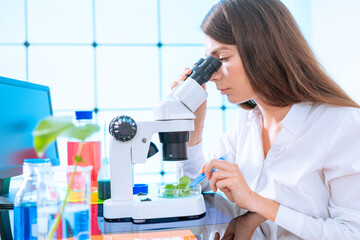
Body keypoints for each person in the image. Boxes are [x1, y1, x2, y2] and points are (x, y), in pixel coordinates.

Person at [173, 0, 360, 239]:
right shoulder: (247, 123)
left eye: (223, 58)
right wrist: (194, 128)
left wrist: (258, 204)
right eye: (209, 62)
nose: (213, 75)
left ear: (262, 49)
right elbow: (193, 190)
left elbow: (353, 233)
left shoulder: (342, 125)